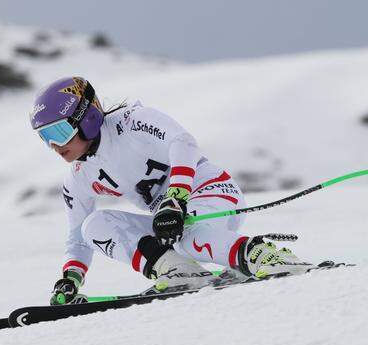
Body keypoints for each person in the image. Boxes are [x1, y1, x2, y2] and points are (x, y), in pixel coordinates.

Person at [29, 77, 313, 305]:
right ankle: (180, 271)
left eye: (58, 133)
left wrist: (176, 197)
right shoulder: (78, 177)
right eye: (45, 138)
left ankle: (264, 256)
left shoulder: (131, 122)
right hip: (170, 218)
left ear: (86, 118)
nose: (54, 146)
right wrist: (71, 278)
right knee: (94, 225)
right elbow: (77, 238)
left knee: (185, 237)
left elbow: (183, 142)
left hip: (212, 190)